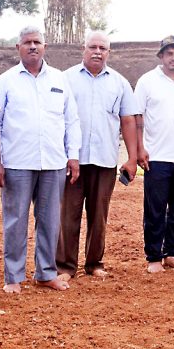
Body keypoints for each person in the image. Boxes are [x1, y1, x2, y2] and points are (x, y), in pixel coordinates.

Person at [0, 25, 80, 292]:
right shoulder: (5, 81)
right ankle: (13, 277)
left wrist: (72, 156)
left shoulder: (60, 80)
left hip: (53, 161)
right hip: (17, 162)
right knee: (15, 220)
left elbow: (71, 120)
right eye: (27, 42)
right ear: (18, 47)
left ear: (45, 47)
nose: (32, 46)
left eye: (37, 42)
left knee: (50, 220)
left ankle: (46, 272)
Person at [56, 30, 138, 282]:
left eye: (103, 48)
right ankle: (65, 266)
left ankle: (94, 263)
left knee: (99, 213)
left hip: (104, 159)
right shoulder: (66, 79)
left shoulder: (120, 83)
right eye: (93, 47)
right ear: (84, 48)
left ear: (109, 52)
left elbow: (128, 120)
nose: (97, 52)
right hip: (73, 159)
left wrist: (132, 158)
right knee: (68, 214)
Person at [133, 35, 174, 274]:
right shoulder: (147, 81)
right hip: (156, 156)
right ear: (161, 56)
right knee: (155, 209)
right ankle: (153, 256)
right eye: (169, 53)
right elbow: (137, 115)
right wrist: (140, 148)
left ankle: (172, 253)